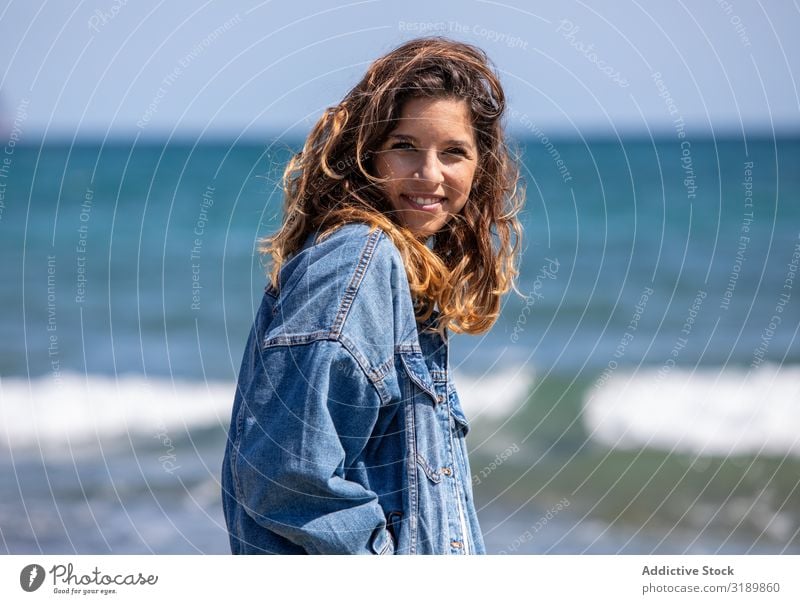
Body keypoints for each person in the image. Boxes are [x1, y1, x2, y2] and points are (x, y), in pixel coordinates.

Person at [220, 36, 524, 555]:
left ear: (479, 168)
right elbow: (282, 474)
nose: (430, 174)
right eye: (406, 146)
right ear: (369, 154)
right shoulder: (358, 261)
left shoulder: (396, 271)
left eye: (454, 152)